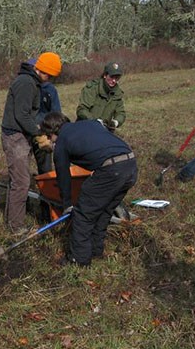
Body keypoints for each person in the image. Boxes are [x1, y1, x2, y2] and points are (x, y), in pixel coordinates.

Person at [41, 112, 137, 267]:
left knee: (82, 215)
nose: (49, 140)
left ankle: (79, 260)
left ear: (52, 133)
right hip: (130, 164)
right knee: (104, 212)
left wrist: (67, 204)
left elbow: (63, 176)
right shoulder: (90, 123)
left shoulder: (62, 142)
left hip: (111, 170)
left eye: (48, 137)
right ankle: (95, 251)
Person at [1, 52, 62, 235]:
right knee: (21, 182)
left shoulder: (31, 81)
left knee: (19, 180)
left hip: (21, 135)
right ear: (41, 70)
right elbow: (22, 115)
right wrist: (39, 133)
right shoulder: (26, 83)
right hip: (15, 137)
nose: (49, 79)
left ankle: (12, 220)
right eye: (48, 75)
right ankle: (16, 227)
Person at [76, 62, 126, 131]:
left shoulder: (118, 93)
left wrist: (115, 122)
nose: (114, 81)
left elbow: (121, 113)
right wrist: (95, 121)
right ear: (105, 75)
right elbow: (81, 110)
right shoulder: (92, 88)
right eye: (111, 77)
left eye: (117, 78)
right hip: (85, 128)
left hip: (104, 131)